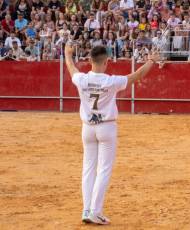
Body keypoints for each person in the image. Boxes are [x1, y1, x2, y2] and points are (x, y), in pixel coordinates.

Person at [64, 44, 159, 225]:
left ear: (90, 61)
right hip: (106, 127)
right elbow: (137, 75)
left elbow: (71, 67)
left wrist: (67, 54)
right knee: (104, 169)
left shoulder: (82, 79)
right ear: (106, 62)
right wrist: (151, 60)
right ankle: (95, 211)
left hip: (87, 128)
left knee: (88, 168)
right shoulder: (111, 81)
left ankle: (86, 209)